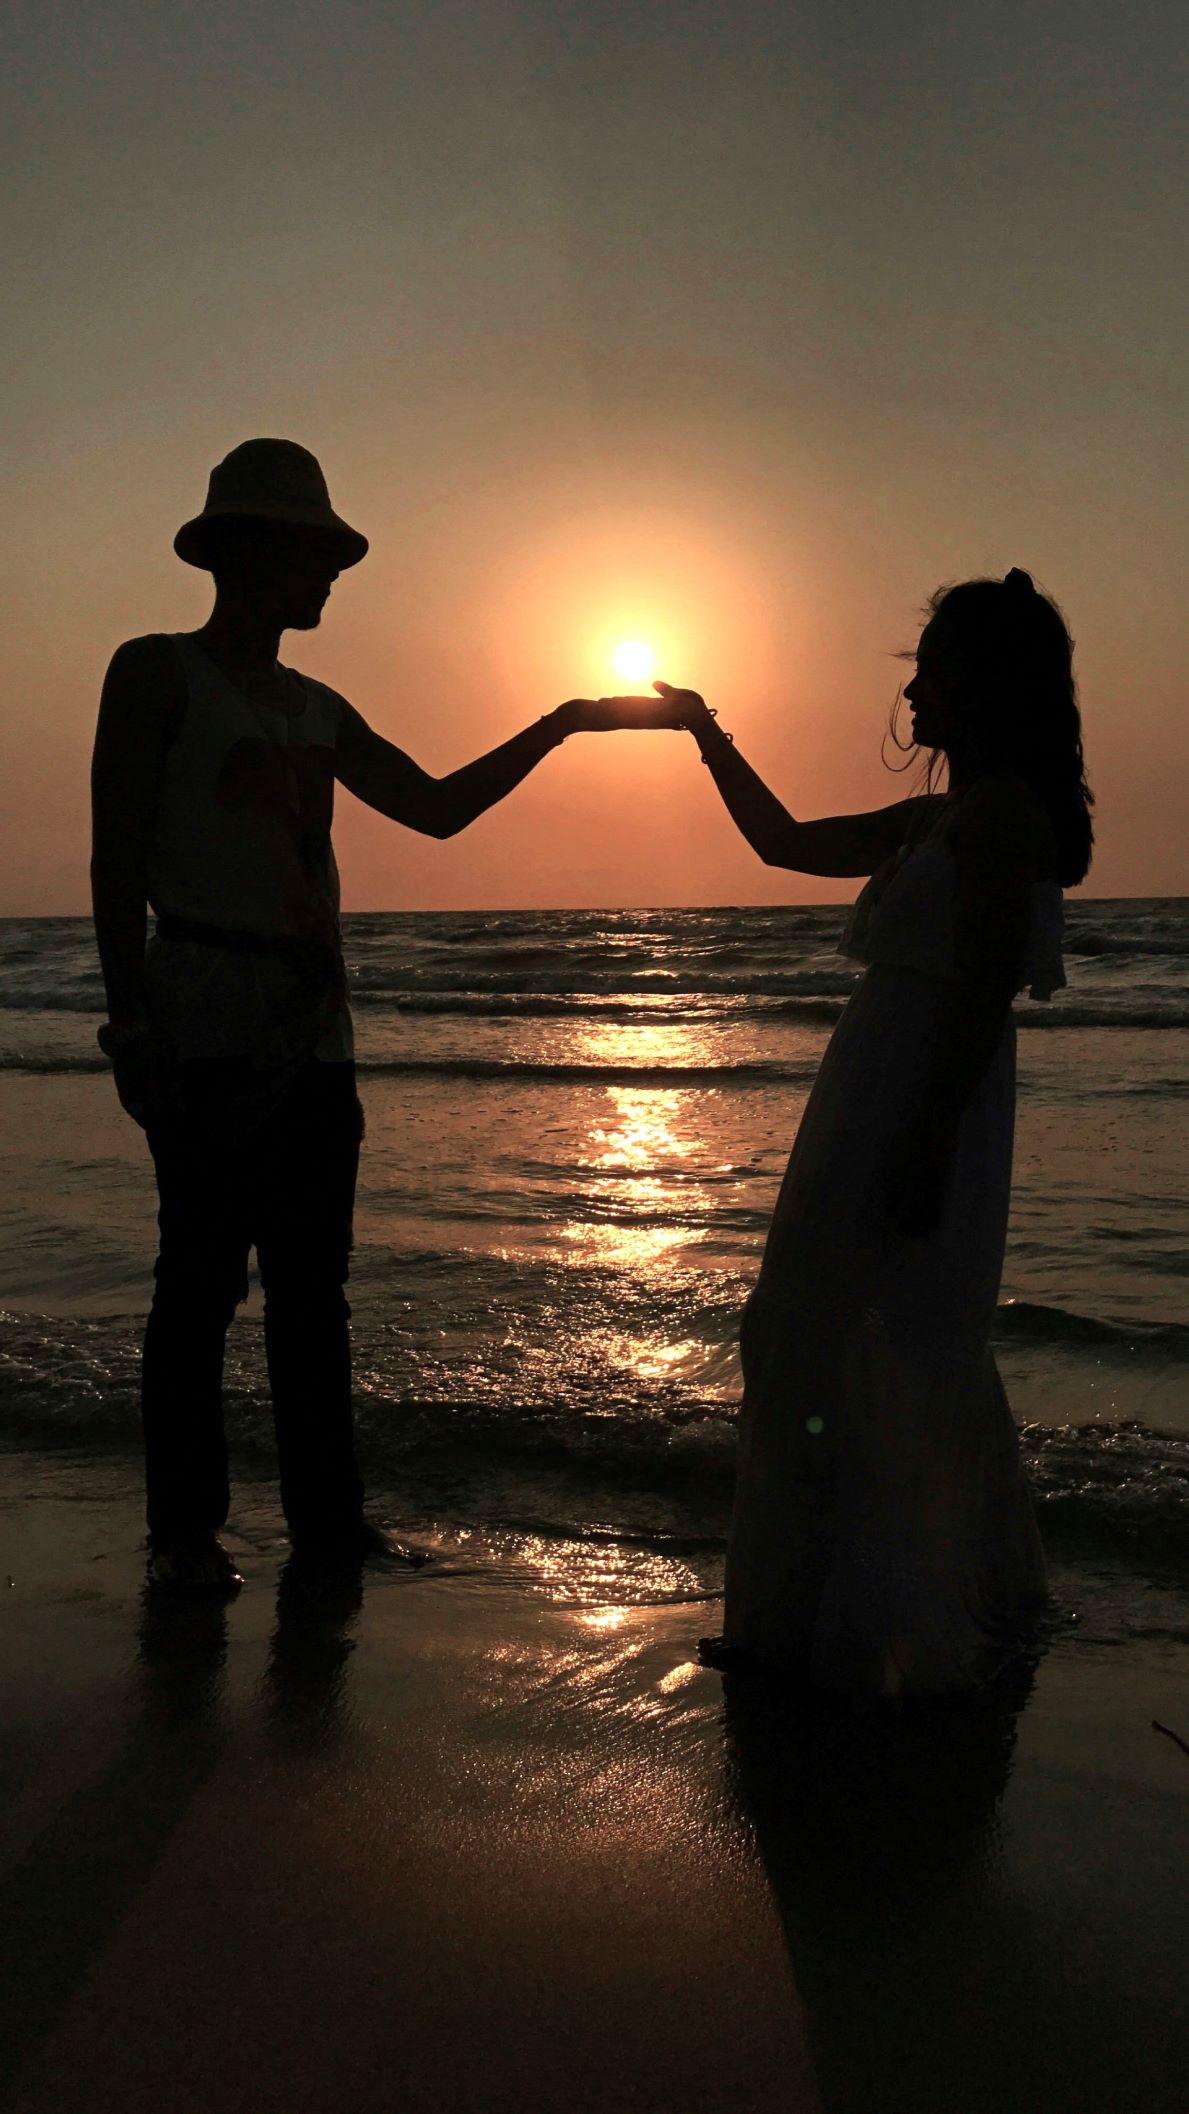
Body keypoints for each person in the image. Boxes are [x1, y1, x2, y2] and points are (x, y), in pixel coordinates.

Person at [91, 437, 642, 1593]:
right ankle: (184, 1539)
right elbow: (114, 856)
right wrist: (129, 1025)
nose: (330, 576)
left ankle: (326, 1528)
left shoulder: (319, 707)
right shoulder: (154, 672)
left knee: (311, 1293)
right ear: (253, 553)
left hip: (314, 1035)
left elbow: (436, 810)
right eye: (313, 554)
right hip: (198, 1015)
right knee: (197, 1285)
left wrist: (562, 721)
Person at [635, 571, 1092, 1696]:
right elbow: (782, 842)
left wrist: (928, 1138)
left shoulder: (999, 817)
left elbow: (983, 988)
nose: (915, 693)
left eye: (933, 670)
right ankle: (810, 1613)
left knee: (883, 1342)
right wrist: (704, 731)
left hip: (916, 1101)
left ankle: (875, 1625)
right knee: (810, 1327)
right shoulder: (939, 815)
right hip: (868, 1092)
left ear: (984, 686)